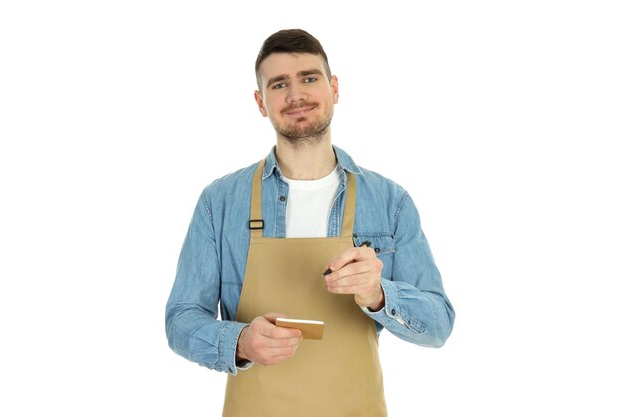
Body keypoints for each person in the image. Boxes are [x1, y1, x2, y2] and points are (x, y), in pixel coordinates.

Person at [165, 28, 455, 416]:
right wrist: (240, 341)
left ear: (334, 88)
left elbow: (438, 324)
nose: (296, 94)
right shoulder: (219, 202)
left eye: (309, 78)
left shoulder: (390, 202)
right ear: (260, 102)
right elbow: (181, 318)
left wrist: (379, 295)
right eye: (279, 83)